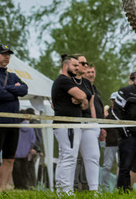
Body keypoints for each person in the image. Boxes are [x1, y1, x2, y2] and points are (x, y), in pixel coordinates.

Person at [0, 44, 28, 190]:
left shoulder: (12, 76)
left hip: (13, 122)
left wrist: (8, 88)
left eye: (8, 54)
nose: (7, 57)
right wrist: (15, 91)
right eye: (3, 54)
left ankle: (2, 190)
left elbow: (25, 89)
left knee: (9, 159)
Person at [52, 55, 89, 192]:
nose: (77, 68)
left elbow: (85, 104)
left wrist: (81, 100)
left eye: (78, 65)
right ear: (65, 66)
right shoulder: (64, 80)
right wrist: (81, 98)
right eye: (74, 65)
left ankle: (61, 190)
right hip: (67, 125)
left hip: (67, 125)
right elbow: (83, 96)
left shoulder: (64, 81)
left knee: (65, 157)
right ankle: (65, 190)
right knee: (69, 157)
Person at [73, 54, 101, 192]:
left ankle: (93, 190)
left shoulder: (89, 85)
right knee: (72, 157)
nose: (85, 66)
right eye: (83, 64)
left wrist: (95, 125)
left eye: (87, 64)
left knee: (93, 156)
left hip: (89, 123)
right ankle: (69, 187)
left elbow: (91, 105)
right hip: (74, 122)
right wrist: (81, 100)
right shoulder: (68, 80)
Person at [12, 113, 37, 190]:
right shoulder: (31, 128)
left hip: (16, 152)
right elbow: (33, 140)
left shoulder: (16, 127)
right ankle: (26, 186)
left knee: (16, 171)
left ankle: (18, 186)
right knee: (26, 171)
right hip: (27, 153)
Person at [101, 94, 120, 191]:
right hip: (110, 143)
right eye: (113, 100)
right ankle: (104, 188)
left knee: (121, 167)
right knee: (107, 166)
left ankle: (118, 188)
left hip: (121, 143)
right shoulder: (108, 114)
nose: (114, 102)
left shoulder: (123, 113)